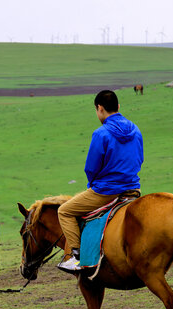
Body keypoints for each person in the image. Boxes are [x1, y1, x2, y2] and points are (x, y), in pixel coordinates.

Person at [57, 90, 144, 273]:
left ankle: (75, 256)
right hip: (133, 189)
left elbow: (91, 168)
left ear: (100, 108)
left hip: (106, 191)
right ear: (118, 107)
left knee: (64, 211)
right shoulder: (135, 129)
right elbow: (140, 159)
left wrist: (93, 184)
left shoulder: (101, 133)